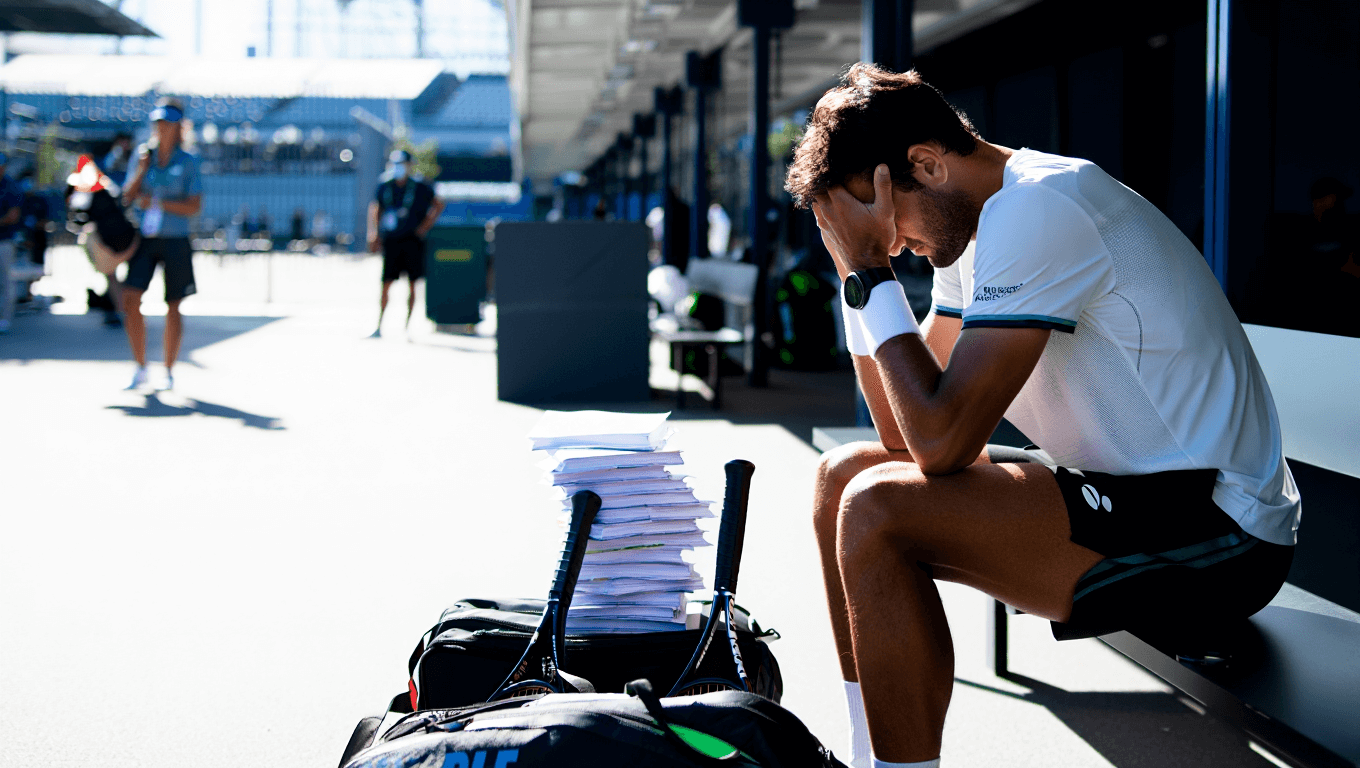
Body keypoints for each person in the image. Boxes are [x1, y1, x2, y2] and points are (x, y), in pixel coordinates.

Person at [784, 65, 1300, 768]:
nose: (891, 243)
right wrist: (856, 276)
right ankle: (865, 751)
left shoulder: (1042, 206)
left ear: (927, 164)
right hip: (1132, 496)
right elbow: (899, 432)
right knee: (841, 478)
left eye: (883, 219)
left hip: (1221, 532)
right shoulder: (973, 227)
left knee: (879, 510)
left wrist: (871, 275)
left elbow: (939, 445)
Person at [120, 98, 202, 391]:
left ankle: (168, 370)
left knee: (174, 305)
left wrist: (158, 203)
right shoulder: (143, 156)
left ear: (178, 126)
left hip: (176, 240)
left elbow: (194, 205)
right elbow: (127, 195)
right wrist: (142, 169)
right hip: (145, 238)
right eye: (157, 122)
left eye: (167, 123)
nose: (161, 128)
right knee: (130, 298)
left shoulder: (189, 160)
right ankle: (140, 367)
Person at [367, 149, 443, 337]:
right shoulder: (385, 185)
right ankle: (379, 325)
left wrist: (424, 227)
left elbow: (438, 204)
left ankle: (407, 326)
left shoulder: (420, 187)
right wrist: (374, 232)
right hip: (392, 241)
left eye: (402, 165)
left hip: (412, 241)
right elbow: (376, 208)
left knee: (412, 284)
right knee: (386, 283)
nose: (398, 168)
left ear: (409, 166)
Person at [0, 153, 25, 334]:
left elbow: (12, 216)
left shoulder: (11, 187)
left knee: (5, 281)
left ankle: (4, 319)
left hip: (4, 241)